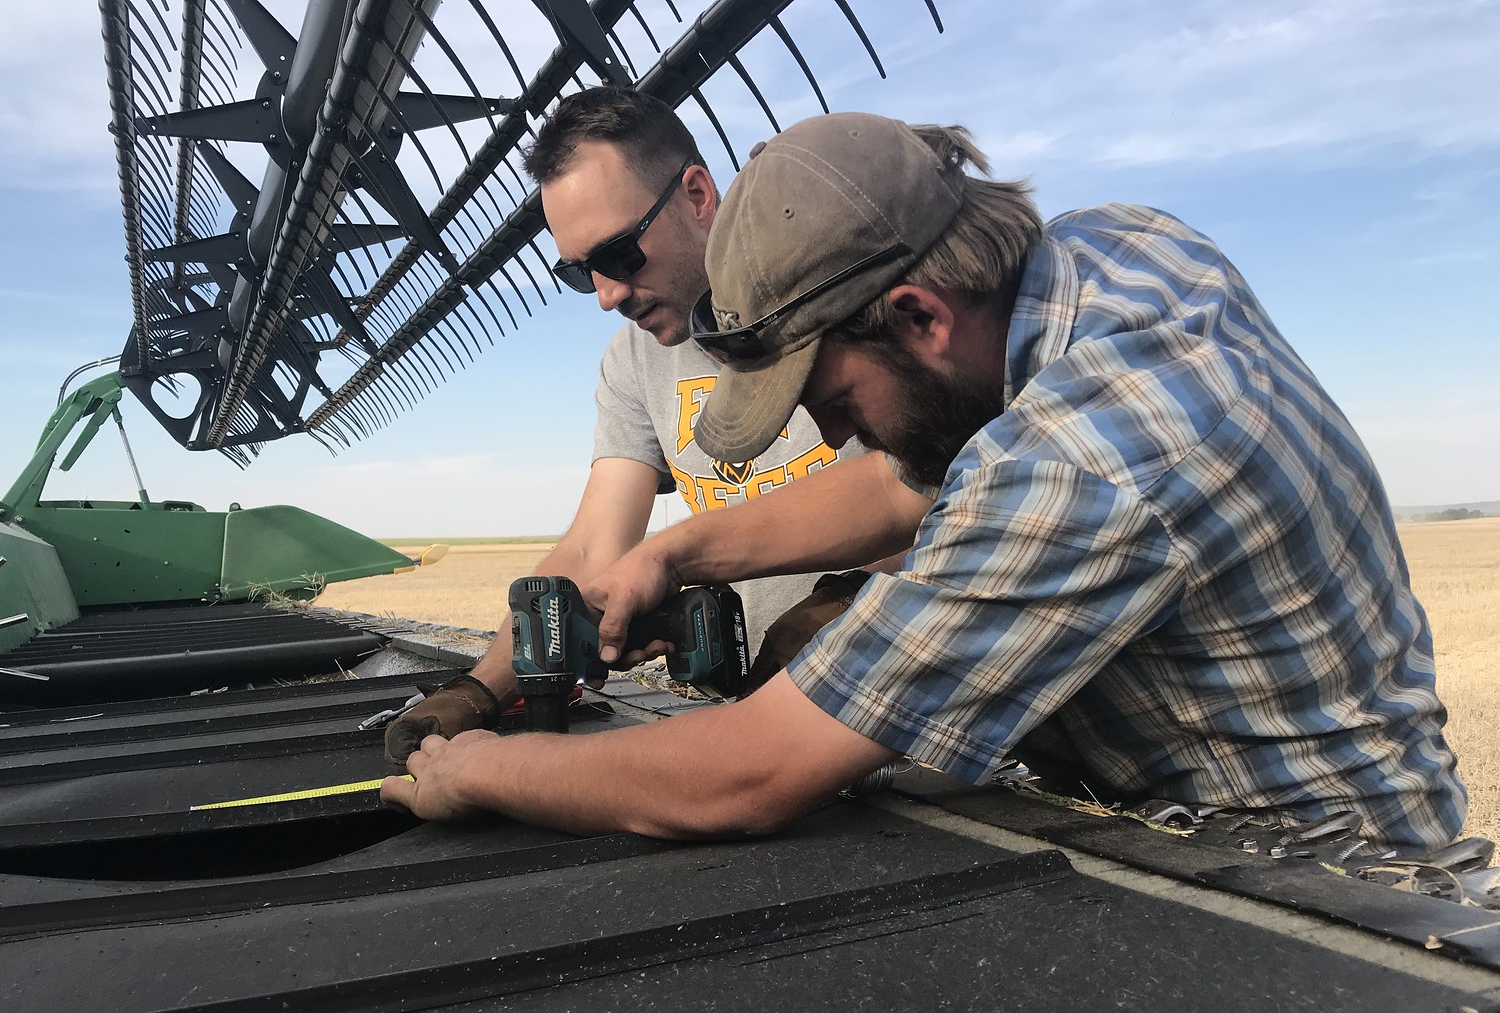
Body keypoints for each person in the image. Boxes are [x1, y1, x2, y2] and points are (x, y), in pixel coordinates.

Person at [381, 112, 1466, 856]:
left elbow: (749, 778)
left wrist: (486, 771)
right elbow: (908, 482)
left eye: (830, 394)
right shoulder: (1107, 253)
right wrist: (673, 550)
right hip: (1179, 826)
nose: (820, 428)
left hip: (1314, 886)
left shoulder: (1086, 461)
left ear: (916, 316)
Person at [382, 89, 867, 766]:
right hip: (764, 711)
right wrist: (478, 691)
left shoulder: (836, 289)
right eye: (582, 274)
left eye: (619, 255)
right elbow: (593, 548)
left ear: (696, 194)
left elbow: (922, 489)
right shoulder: (636, 360)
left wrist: (850, 602)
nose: (607, 295)